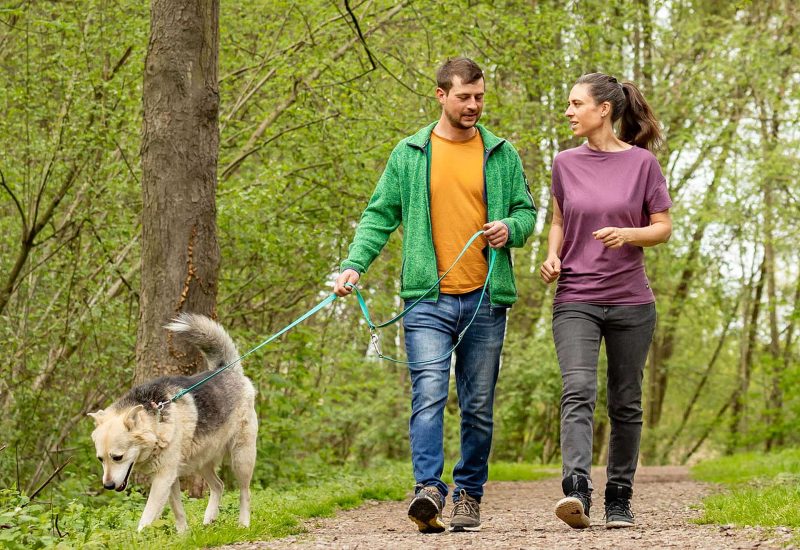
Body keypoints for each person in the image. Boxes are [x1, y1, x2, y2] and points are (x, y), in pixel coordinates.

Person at [334, 57, 536, 534]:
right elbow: (379, 214)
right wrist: (353, 265)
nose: (474, 105)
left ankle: (469, 492)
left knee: (478, 404)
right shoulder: (410, 154)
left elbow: (527, 212)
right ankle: (427, 489)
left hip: (485, 298)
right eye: (464, 96)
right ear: (441, 95)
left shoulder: (502, 154)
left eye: (480, 97)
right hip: (426, 299)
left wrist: (512, 227)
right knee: (427, 393)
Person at [540, 72, 672, 529]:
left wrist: (628, 234)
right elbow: (559, 220)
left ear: (604, 110)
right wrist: (553, 255)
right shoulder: (564, 162)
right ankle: (576, 490)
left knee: (626, 400)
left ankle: (619, 497)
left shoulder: (642, 165)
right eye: (568, 104)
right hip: (575, 295)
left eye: (576, 104)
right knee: (577, 389)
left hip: (632, 301)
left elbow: (662, 226)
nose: (569, 112)